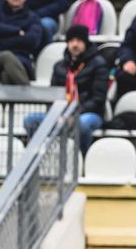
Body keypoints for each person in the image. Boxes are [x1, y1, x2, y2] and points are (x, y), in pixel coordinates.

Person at [24, 24, 106, 153]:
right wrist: (58, 114)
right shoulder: (59, 66)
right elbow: (53, 95)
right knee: (31, 120)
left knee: (82, 124)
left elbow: (98, 99)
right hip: (61, 113)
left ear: (85, 43)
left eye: (79, 41)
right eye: (72, 41)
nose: (75, 44)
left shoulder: (98, 64)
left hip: (88, 113)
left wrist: (74, 113)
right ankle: (42, 155)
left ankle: (80, 159)